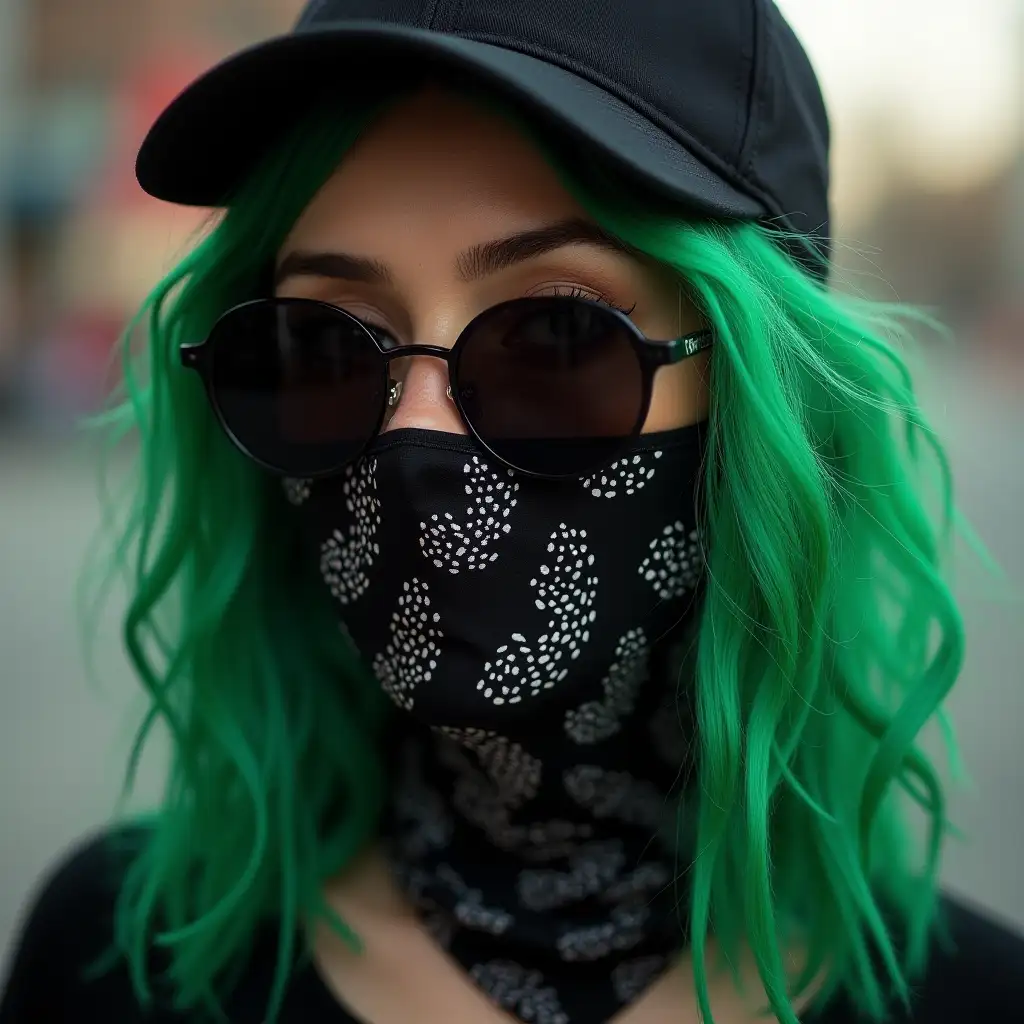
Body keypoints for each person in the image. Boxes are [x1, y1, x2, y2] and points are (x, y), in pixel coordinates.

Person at [2, 1, 1023, 1022]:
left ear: (762, 404)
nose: (417, 438)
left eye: (553, 339)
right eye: (324, 344)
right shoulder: (115, 954)